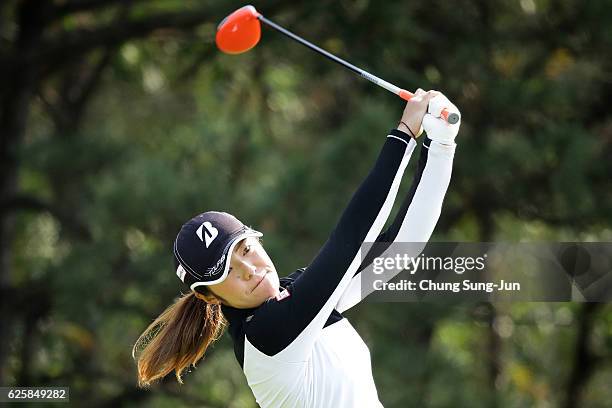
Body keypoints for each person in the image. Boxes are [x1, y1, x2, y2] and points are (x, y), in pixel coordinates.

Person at [133, 90, 460, 407]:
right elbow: (349, 240)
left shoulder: (294, 299)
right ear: (209, 296)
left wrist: (441, 144)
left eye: (245, 250)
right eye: (227, 271)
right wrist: (403, 135)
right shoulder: (265, 335)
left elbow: (397, 251)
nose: (249, 270)